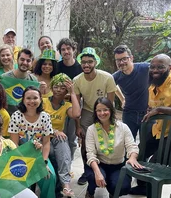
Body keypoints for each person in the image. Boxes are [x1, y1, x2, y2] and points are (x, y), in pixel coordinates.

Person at [73, 47, 117, 185]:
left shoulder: (107, 77)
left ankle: (107, 172)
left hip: (104, 110)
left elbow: (110, 102)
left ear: (95, 62)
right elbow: (77, 105)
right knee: (85, 144)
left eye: (90, 62)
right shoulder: (77, 80)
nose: (86, 65)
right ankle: (87, 172)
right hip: (87, 111)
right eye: (84, 62)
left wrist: (112, 120)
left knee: (105, 141)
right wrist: (78, 126)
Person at [130, 54, 171, 195]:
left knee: (155, 165)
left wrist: (159, 110)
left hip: (169, 135)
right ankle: (142, 186)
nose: (155, 70)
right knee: (138, 155)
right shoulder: (153, 84)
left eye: (160, 67)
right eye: (152, 67)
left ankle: (152, 190)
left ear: (169, 68)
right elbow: (153, 104)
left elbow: (159, 107)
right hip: (157, 129)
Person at [85, 97, 141, 198]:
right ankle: (90, 191)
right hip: (99, 164)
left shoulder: (123, 127)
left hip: (118, 165)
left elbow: (132, 146)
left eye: (105, 109)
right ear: (95, 112)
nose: (102, 113)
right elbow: (90, 153)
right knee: (93, 177)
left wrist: (132, 157)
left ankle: (113, 192)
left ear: (111, 110)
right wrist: (98, 173)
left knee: (123, 186)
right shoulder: (91, 129)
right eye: (99, 110)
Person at [8, 86, 56, 198]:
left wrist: (44, 162)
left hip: (38, 154)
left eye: (35, 98)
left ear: (40, 100)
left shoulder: (45, 117)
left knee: (50, 176)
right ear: (23, 100)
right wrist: (24, 163)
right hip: (20, 155)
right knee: (22, 178)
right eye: (28, 98)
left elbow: (46, 143)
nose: (32, 101)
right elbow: (14, 144)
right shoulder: (16, 116)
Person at [43, 74, 80, 197]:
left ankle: (66, 185)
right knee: (55, 154)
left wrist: (73, 93)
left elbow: (76, 114)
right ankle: (61, 186)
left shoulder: (67, 105)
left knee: (64, 144)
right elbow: (37, 122)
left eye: (62, 88)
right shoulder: (43, 102)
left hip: (57, 139)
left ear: (66, 91)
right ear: (51, 87)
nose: (58, 90)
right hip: (42, 137)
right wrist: (54, 131)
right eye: (56, 86)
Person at [112, 45, 149, 139]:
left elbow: (163, 70)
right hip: (129, 113)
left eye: (124, 59)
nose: (121, 62)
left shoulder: (145, 68)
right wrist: (122, 99)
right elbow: (112, 86)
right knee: (127, 143)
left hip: (147, 113)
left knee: (147, 144)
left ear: (131, 58)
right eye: (118, 60)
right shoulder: (116, 76)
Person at [56, 38, 82, 162]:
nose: (66, 51)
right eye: (63, 49)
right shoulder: (57, 66)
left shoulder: (80, 68)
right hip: (58, 106)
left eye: (68, 49)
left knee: (71, 139)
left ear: (73, 50)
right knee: (59, 137)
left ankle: (69, 165)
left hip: (73, 106)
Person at [0, 48, 38, 115]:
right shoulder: (4, 78)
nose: (25, 63)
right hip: (7, 118)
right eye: (22, 59)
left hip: (26, 119)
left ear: (32, 63)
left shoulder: (33, 80)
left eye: (28, 61)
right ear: (17, 60)